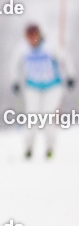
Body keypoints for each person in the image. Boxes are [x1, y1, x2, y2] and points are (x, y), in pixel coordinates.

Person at [11, 24, 75, 159]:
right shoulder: (22, 48)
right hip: (32, 86)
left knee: (47, 115)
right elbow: (14, 65)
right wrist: (14, 81)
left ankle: (50, 146)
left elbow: (65, 58)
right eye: (29, 38)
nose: (31, 41)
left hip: (52, 86)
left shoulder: (50, 46)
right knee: (32, 116)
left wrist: (70, 76)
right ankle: (28, 147)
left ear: (38, 35)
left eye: (33, 37)